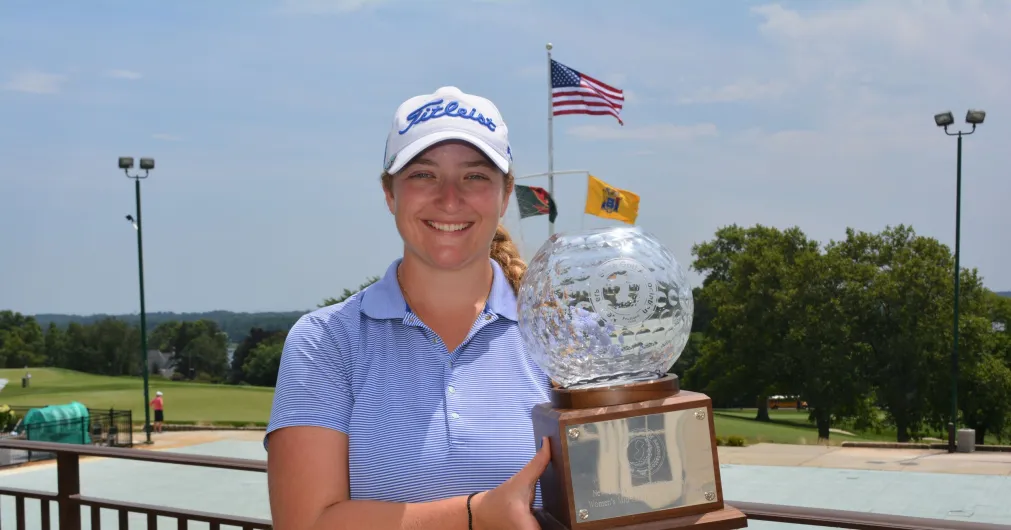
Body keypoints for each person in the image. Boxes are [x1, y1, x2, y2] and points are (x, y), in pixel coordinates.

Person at [265, 86, 553, 530]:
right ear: (389, 193)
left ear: (505, 193)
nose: (450, 198)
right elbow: (304, 523)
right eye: (423, 175)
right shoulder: (325, 341)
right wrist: (478, 515)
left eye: (475, 176)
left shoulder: (565, 334)